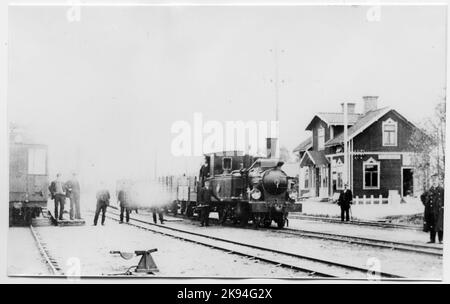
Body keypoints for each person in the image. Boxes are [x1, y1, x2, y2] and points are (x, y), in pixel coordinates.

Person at [421, 174, 444, 244]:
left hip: (439, 211)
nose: (434, 182)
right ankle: (432, 239)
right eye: (433, 180)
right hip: (431, 211)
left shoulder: (442, 190)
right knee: (432, 225)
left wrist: (443, 206)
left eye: (436, 180)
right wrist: (426, 204)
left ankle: (441, 239)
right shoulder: (429, 190)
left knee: (440, 225)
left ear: (438, 181)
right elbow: (422, 196)